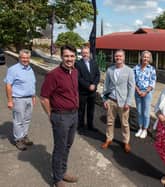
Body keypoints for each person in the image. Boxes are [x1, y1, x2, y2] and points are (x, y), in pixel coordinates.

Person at [40, 45, 79, 187]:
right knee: (60, 147)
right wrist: (51, 116)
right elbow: (44, 98)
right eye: (67, 56)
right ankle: (57, 179)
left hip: (74, 115)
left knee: (67, 146)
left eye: (72, 56)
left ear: (75, 57)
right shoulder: (53, 75)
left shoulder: (74, 71)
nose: (69, 59)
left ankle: (63, 172)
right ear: (61, 57)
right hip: (61, 117)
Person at [101, 49, 135, 153]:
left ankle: (126, 142)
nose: (118, 58)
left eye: (120, 56)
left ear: (124, 57)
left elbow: (131, 87)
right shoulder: (110, 69)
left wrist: (128, 102)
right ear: (114, 57)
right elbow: (106, 85)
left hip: (123, 102)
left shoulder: (129, 71)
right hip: (111, 100)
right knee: (110, 121)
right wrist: (105, 99)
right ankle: (109, 139)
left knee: (124, 123)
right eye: (116, 56)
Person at [4, 49, 36, 151]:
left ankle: (24, 136)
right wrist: (9, 100)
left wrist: (33, 97)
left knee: (27, 119)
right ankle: (18, 139)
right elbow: (8, 85)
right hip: (18, 99)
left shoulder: (30, 69)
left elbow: (32, 83)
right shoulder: (13, 69)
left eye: (27, 58)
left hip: (29, 99)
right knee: (18, 121)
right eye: (23, 57)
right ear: (19, 58)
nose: (25, 60)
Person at [75, 46, 100, 132]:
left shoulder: (94, 63)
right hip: (82, 91)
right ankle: (80, 126)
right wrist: (88, 86)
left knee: (91, 109)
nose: (85, 54)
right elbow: (79, 78)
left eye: (87, 53)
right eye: (84, 53)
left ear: (90, 54)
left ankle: (90, 125)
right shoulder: (77, 64)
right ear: (81, 54)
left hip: (92, 91)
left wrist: (94, 85)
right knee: (81, 109)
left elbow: (97, 75)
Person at [133, 50, 156, 139]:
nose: (145, 58)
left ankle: (145, 129)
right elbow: (133, 80)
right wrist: (138, 91)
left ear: (149, 58)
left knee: (146, 112)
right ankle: (140, 128)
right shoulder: (136, 68)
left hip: (148, 92)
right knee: (139, 111)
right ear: (141, 58)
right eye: (144, 57)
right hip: (137, 91)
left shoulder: (152, 69)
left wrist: (145, 92)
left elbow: (152, 82)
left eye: (147, 57)